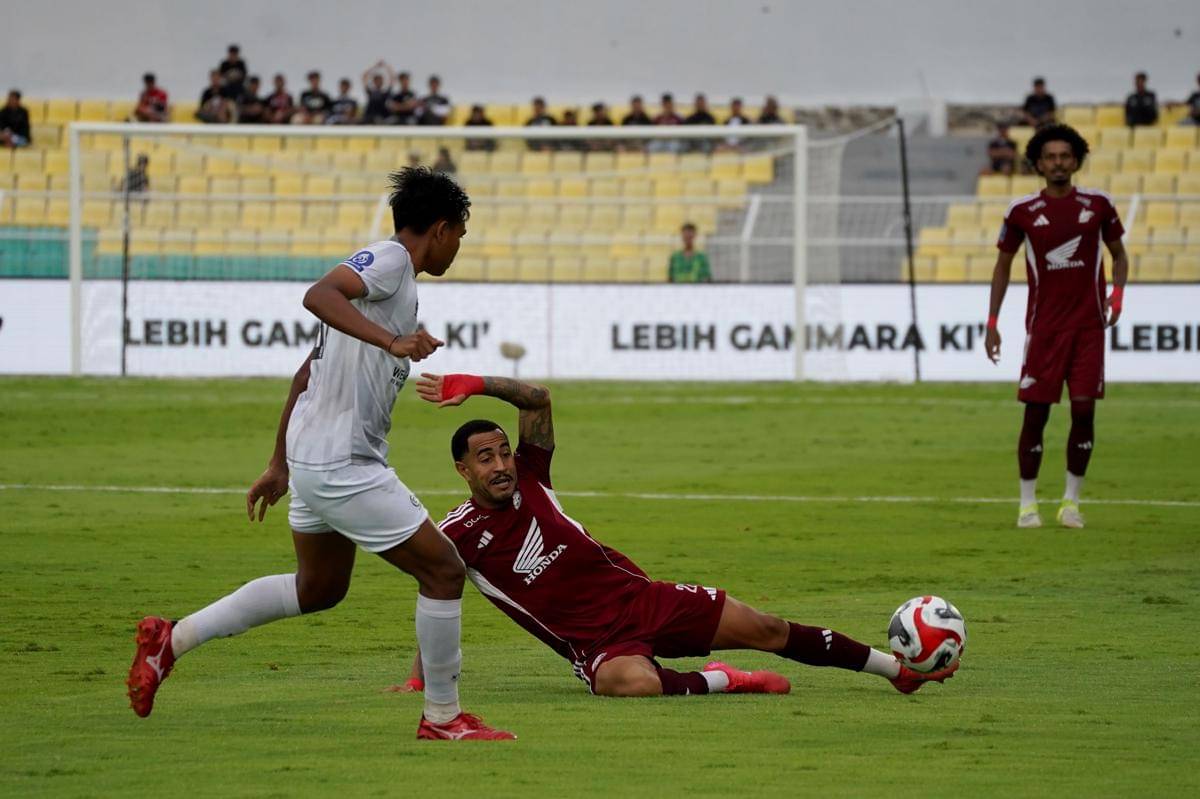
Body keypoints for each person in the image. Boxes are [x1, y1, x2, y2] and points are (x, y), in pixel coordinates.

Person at [125, 168, 514, 741]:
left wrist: (280, 461)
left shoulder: (396, 286)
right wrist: (392, 342)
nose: (458, 247)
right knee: (443, 571)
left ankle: (171, 639)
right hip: (342, 463)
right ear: (440, 228)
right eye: (459, 234)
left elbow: (310, 368)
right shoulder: (389, 261)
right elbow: (318, 294)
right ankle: (443, 718)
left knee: (320, 588)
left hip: (313, 457)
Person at [389, 372, 959, 699]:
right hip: (595, 646)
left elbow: (537, 399)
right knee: (629, 686)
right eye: (484, 458)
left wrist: (480, 384)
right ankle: (721, 681)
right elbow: (437, 593)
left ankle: (897, 671)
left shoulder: (534, 477)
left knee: (767, 627)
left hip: (643, 600)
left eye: (503, 451)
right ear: (463, 471)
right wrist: (422, 679)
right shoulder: (456, 535)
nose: (500, 464)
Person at [985, 124, 1128, 529]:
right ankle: (1027, 505)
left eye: (1066, 156)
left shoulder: (1099, 205)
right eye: (1051, 157)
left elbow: (1119, 255)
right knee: (1036, 415)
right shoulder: (1021, 212)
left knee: (1084, 411)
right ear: (1038, 163)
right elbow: (1002, 266)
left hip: (1088, 329)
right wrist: (992, 321)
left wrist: (1116, 295)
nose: (1059, 163)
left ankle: (1071, 502)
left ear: (1077, 159)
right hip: (1044, 330)